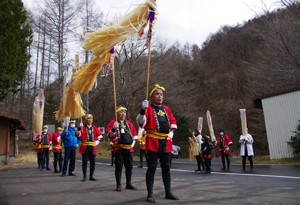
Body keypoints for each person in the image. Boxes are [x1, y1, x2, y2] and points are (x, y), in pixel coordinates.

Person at [137, 84, 179, 203]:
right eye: (157, 94)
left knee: (166, 168)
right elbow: (141, 123)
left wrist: (171, 132)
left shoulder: (166, 109)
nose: (160, 96)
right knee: (152, 168)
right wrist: (142, 110)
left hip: (166, 142)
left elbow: (172, 121)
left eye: (161, 94)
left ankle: (168, 192)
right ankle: (150, 193)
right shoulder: (148, 109)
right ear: (151, 97)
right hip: (153, 141)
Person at [106, 106, 138, 191]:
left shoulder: (128, 123)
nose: (123, 114)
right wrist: (113, 129)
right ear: (117, 114)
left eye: (124, 112)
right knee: (119, 166)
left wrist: (133, 144)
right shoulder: (113, 122)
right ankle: (118, 184)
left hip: (128, 148)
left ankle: (128, 183)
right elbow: (109, 135)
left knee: (129, 166)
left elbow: (134, 135)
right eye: (121, 112)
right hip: (119, 148)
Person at [78, 114, 103, 182]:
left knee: (93, 162)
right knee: (85, 162)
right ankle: (84, 176)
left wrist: (97, 142)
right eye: (88, 118)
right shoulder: (82, 127)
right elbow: (77, 134)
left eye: (91, 118)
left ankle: (91, 176)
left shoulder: (94, 127)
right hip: (85, 146)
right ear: (86, 120)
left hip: (92, 146)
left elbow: (100, 136)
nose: (90, 120)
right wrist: (79, 128)